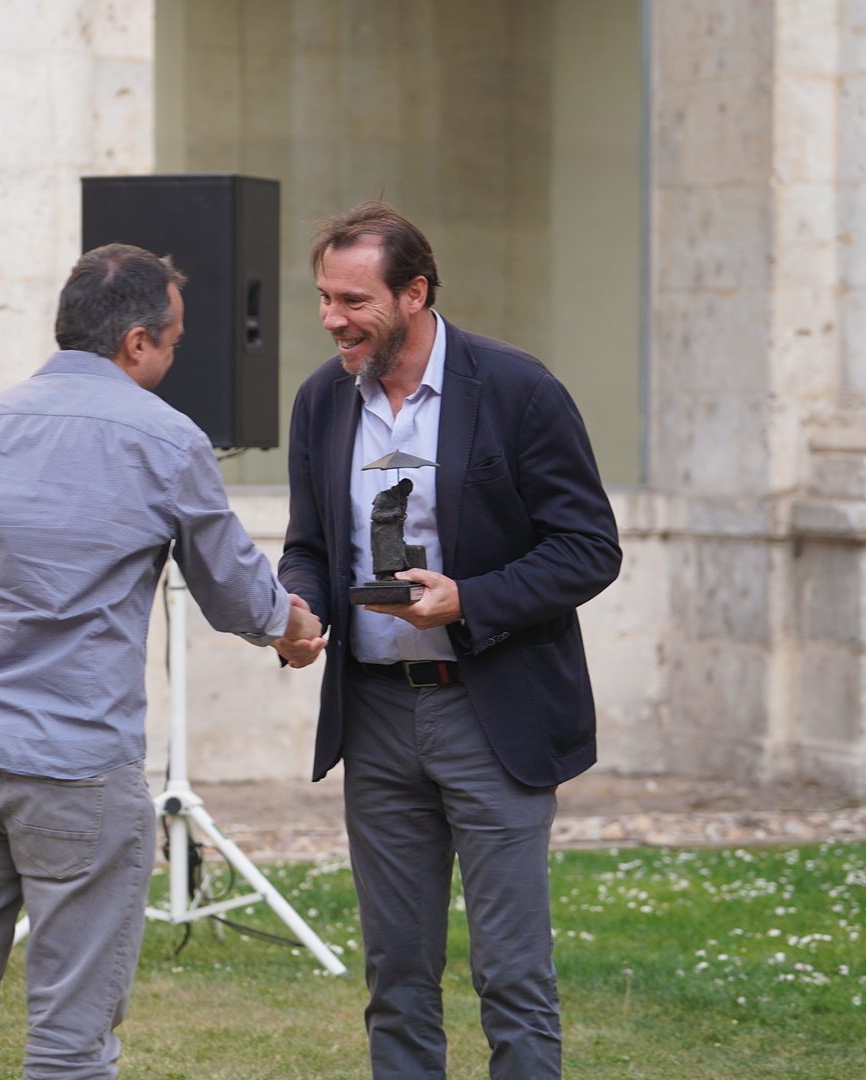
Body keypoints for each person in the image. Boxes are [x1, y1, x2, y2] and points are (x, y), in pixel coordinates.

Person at [0, 243, 325, 1080]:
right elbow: (234, 592)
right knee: (70, 1037)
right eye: (173, 343)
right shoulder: (167, 438)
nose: (173, 360)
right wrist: (291, 626)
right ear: (136, 343)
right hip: (76, 770)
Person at [273, 202, 621, 1080]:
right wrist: (301, 608)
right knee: (395, 974)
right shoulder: (320, 400)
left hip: (491, 711)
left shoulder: (517, 388)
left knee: (512, 974)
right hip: (375, 716)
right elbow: (310, 545)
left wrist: (470, 600)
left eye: (353, 300)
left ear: (415, 293)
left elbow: (589, 548)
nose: (332, 319)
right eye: (324, 298)